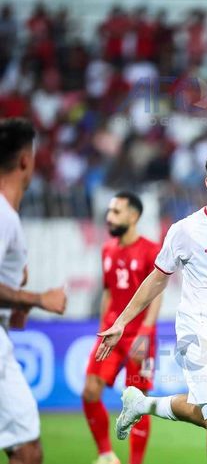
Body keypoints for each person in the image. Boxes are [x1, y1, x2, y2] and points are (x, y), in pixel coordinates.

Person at [96, 149, 207, 464]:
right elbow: (157, 279)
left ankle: (143, 405)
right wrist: (123, 321)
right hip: (197, 331)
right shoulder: (186, 230)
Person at [0, 117, 67, 464]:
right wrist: (39, 299)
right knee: (27, 449)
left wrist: (14, 301)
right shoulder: (3, 215)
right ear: (26, 160)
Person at [82, 191, 163, 464]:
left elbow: (157, 293)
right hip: (112, 332)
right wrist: (103, 326)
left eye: (116, 212)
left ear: (134, 216)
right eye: (109, 211)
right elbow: (107, 291)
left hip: (141, 336)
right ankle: (106, 454)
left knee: (137, 401)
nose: (109, 217)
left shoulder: (151, 249)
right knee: (90, 391)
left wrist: (146, 331)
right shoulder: (107, 250)